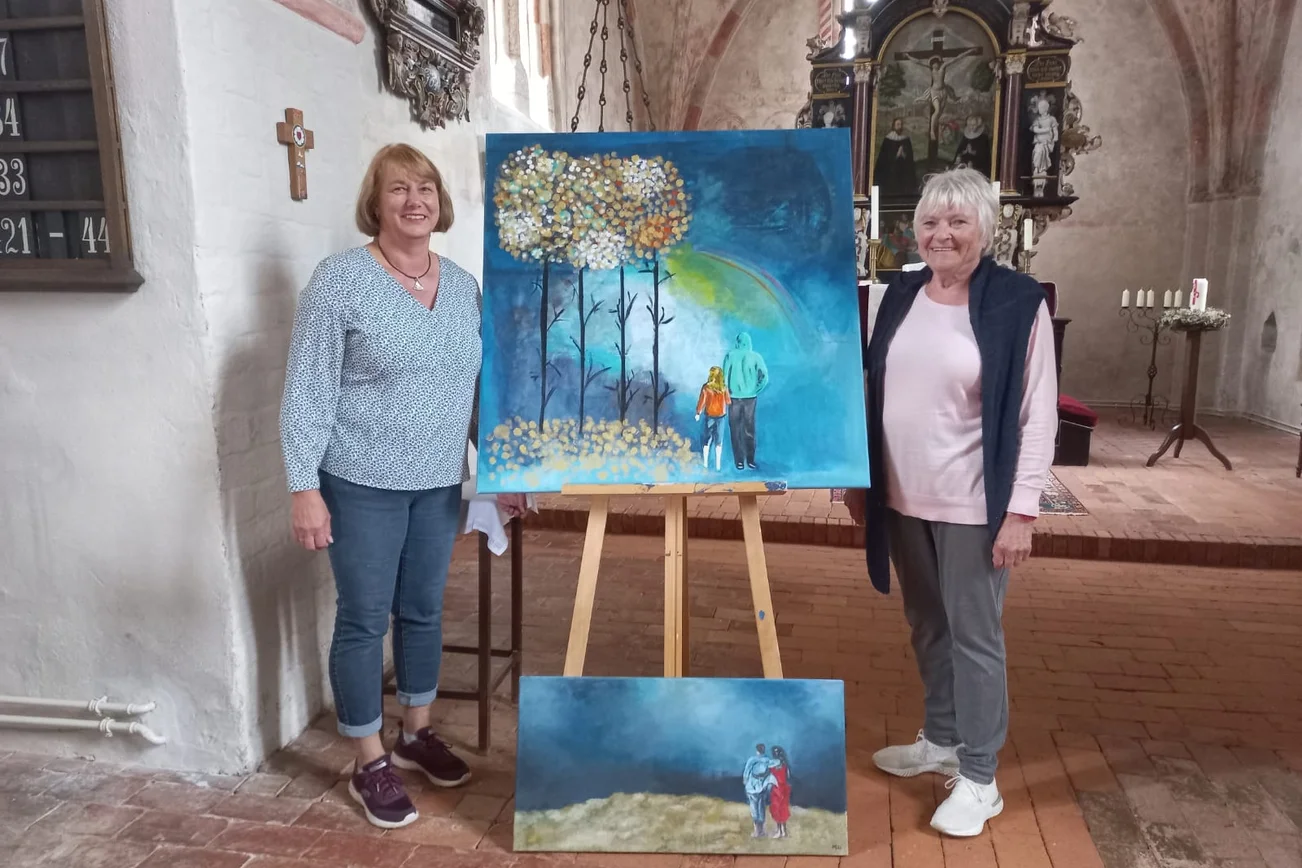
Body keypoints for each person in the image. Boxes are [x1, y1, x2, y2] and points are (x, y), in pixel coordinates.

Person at [279, 143, 525, 830]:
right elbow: (307, 391)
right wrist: (304, 485)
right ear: (376, 202)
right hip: (359, 480)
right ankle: (369, 759)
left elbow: (480, 391)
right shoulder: (340, 282)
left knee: (421, 610)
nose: (414, 200)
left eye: (425, 188)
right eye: (398, 189)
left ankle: (415, 733)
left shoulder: (465, 286)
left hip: (438, 481)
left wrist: (502, 468)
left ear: (439, 202)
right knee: (363, 618)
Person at [844, 167, 1057, 838]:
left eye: (958, 222)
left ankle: (980, 775)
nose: (942, 234)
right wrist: (856, 478)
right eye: (931, 222)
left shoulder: (1017, 303)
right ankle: (939, 738)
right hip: (904, 498)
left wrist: (1021, 510)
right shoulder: (897, 295)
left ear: (985, 230)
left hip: (972, 504)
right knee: (928, 624)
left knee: (975, 638)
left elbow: (1037, 413)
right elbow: (870, 390)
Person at [722, 332, 768, 470]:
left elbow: (723, 379)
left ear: (737, 342)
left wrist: (726, 394)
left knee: (735, 430)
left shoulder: (730, 355)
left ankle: (739, 462)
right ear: (749, 342)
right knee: (749, 429)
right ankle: (751, 460)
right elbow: (764, 377)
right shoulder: (755, 357)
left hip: (733, 398)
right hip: (750, 398)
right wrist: (756, 389)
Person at [694, 365, 731, 470]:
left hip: (709, 416)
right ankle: (718, 465)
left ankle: (705, 463)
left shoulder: (706, 387)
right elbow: (728, 401)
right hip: (721, 417)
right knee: (719, 441)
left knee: (707, 440)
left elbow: (702, 402)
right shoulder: (724, 388)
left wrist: (698, 413)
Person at [742, 743, 780, 838]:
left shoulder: (755, 759)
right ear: (763, 750)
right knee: (759, 807)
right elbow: (776, 762)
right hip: (758, 785)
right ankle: (759, 831)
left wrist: (746, 781)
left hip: (756, 786)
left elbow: (746, 772)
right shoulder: (764, 760)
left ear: (757, 750)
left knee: (757, 808)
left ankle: (759, 831)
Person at [768, 746, 792, 838]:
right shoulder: (784, 765)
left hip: (779, 789)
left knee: (780, 809)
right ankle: (781, 831)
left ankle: (781, 831)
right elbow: (788, 777)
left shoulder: (778, 765)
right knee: (779, 809)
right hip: (779, 789)